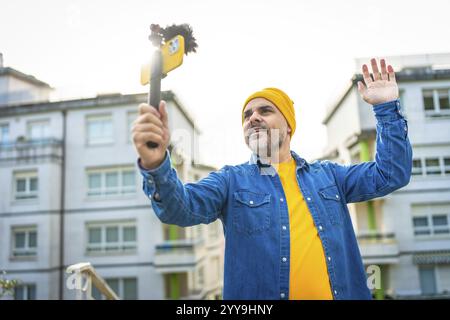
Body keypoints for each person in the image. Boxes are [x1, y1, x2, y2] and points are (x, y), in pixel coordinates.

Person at [131, 58, 412, 300]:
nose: (252, 118)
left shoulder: (330, 176)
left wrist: (386, 109)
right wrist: (156, 163)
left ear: (288, 126)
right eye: (246, 115)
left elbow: (391, 174)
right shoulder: (230, 181)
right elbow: (179, 208)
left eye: (265, 111)